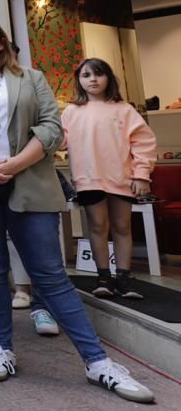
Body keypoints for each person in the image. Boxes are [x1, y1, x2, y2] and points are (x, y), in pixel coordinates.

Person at [0, 17, 154, 402]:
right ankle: (2, 349)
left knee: (50, 275)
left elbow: (51, 127)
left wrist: (15, 164)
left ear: (1, 43)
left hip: (29, 184)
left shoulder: (31, 78)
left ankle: (98, 362)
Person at [62, 57, 156, 300]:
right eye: (86, 75)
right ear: (79, 80)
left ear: (108, 78)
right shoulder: (71, 111)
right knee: (97, 227)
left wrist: (141, 174)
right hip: (88, 179)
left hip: (121, 178)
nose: (93, 79)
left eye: (98, 74)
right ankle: (103, 276)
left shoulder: (124, 109)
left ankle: (123, 277)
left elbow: (143, 143)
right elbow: (57, 140)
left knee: (122, 227)